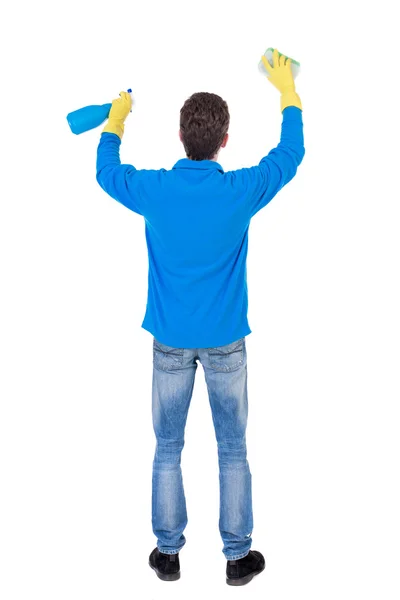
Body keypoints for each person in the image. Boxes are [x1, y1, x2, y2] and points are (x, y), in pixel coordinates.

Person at [96, 48, 305, 586]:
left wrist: (116, 121)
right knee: (232, 447)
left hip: (168, 339)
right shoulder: (240, 191)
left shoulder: (155, 189)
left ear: (181, 137)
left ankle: (167, 554)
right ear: (225, 140)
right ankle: (238, 558)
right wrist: (286, 90)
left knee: (167, 447)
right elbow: (290, 154)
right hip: (226, 343)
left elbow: (106, 172)